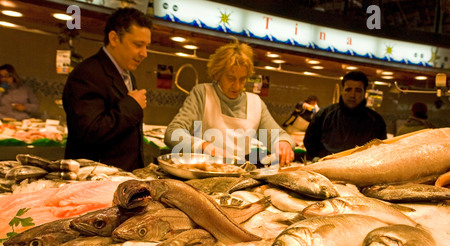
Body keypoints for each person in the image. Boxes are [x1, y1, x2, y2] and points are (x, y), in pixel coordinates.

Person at [164, 41, 295, 167]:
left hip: (238, 176)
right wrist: (205, 147)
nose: (237, 86)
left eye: (242, 79)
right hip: (201, 174)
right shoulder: (202, 94)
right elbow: (173, 133)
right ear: (217, 74)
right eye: (231, 78)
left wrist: (283, 144)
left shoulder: (255, 103)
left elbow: (280, 136)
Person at [63, 8, 151, 172]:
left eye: (146, 46)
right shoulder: (87, 73)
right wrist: (131, 105)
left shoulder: (129, 76)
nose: (144, 53)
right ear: (114, 38)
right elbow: (88, 132)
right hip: (95, 180)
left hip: (123, 177)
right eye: (138, 45)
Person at [303, 71, 387, 159]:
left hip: (360, 169)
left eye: (358, 90)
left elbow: (381, 150)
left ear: (364, 93)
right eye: (348, 89)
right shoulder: (324, 114)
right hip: (326, 168)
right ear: (342, 91)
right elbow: (309, 141)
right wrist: (321, 159)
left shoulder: (376, 121)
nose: (352, 95)